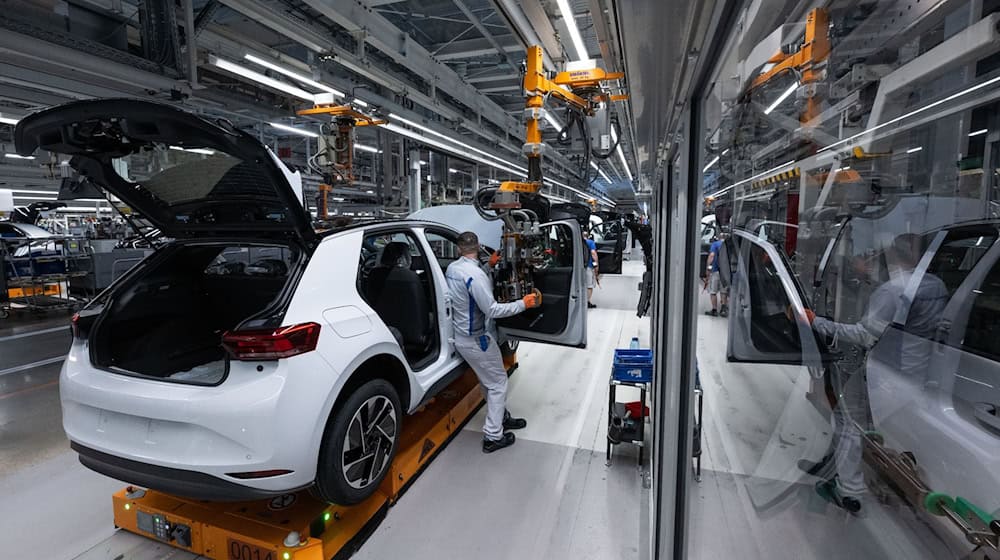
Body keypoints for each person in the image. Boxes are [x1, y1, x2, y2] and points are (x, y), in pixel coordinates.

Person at [796, 233, 948, 513]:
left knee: (847, 422)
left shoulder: (893, 290)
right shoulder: (936, 285)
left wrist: (816, 322)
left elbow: (864, 335)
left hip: (887, 376)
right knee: (849, 416)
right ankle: (832, 466)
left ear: (893, 256)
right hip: (918, 374)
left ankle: (849, 491)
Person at [446, 231, 542, 453]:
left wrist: (489, 267)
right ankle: (492, 436)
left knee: (489, 381)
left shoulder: (454, 269)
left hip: (462, 337)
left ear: (459, 249)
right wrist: (523, 303)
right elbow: (491, 309)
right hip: (476, 339)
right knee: (498, 383)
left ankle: (501, 418)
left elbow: (470, 286)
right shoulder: (475, 276)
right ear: (478, 246)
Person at [705, 233, 728, 316]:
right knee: (723, 291)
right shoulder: (728, 246)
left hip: (715, 271)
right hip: (725, 272)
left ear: (718, 237)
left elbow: (712, 256)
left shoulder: (715, 244)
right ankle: (723, 310)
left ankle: (714, 310)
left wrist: (708, 268)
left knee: (713, 291)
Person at [585, 231, 599, 308]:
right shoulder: (590, 242)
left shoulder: (578, 242)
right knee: (589, 285)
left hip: (580, 267)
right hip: (589, 266)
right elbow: (593, 253)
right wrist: (596, 265)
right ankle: (587, 302)